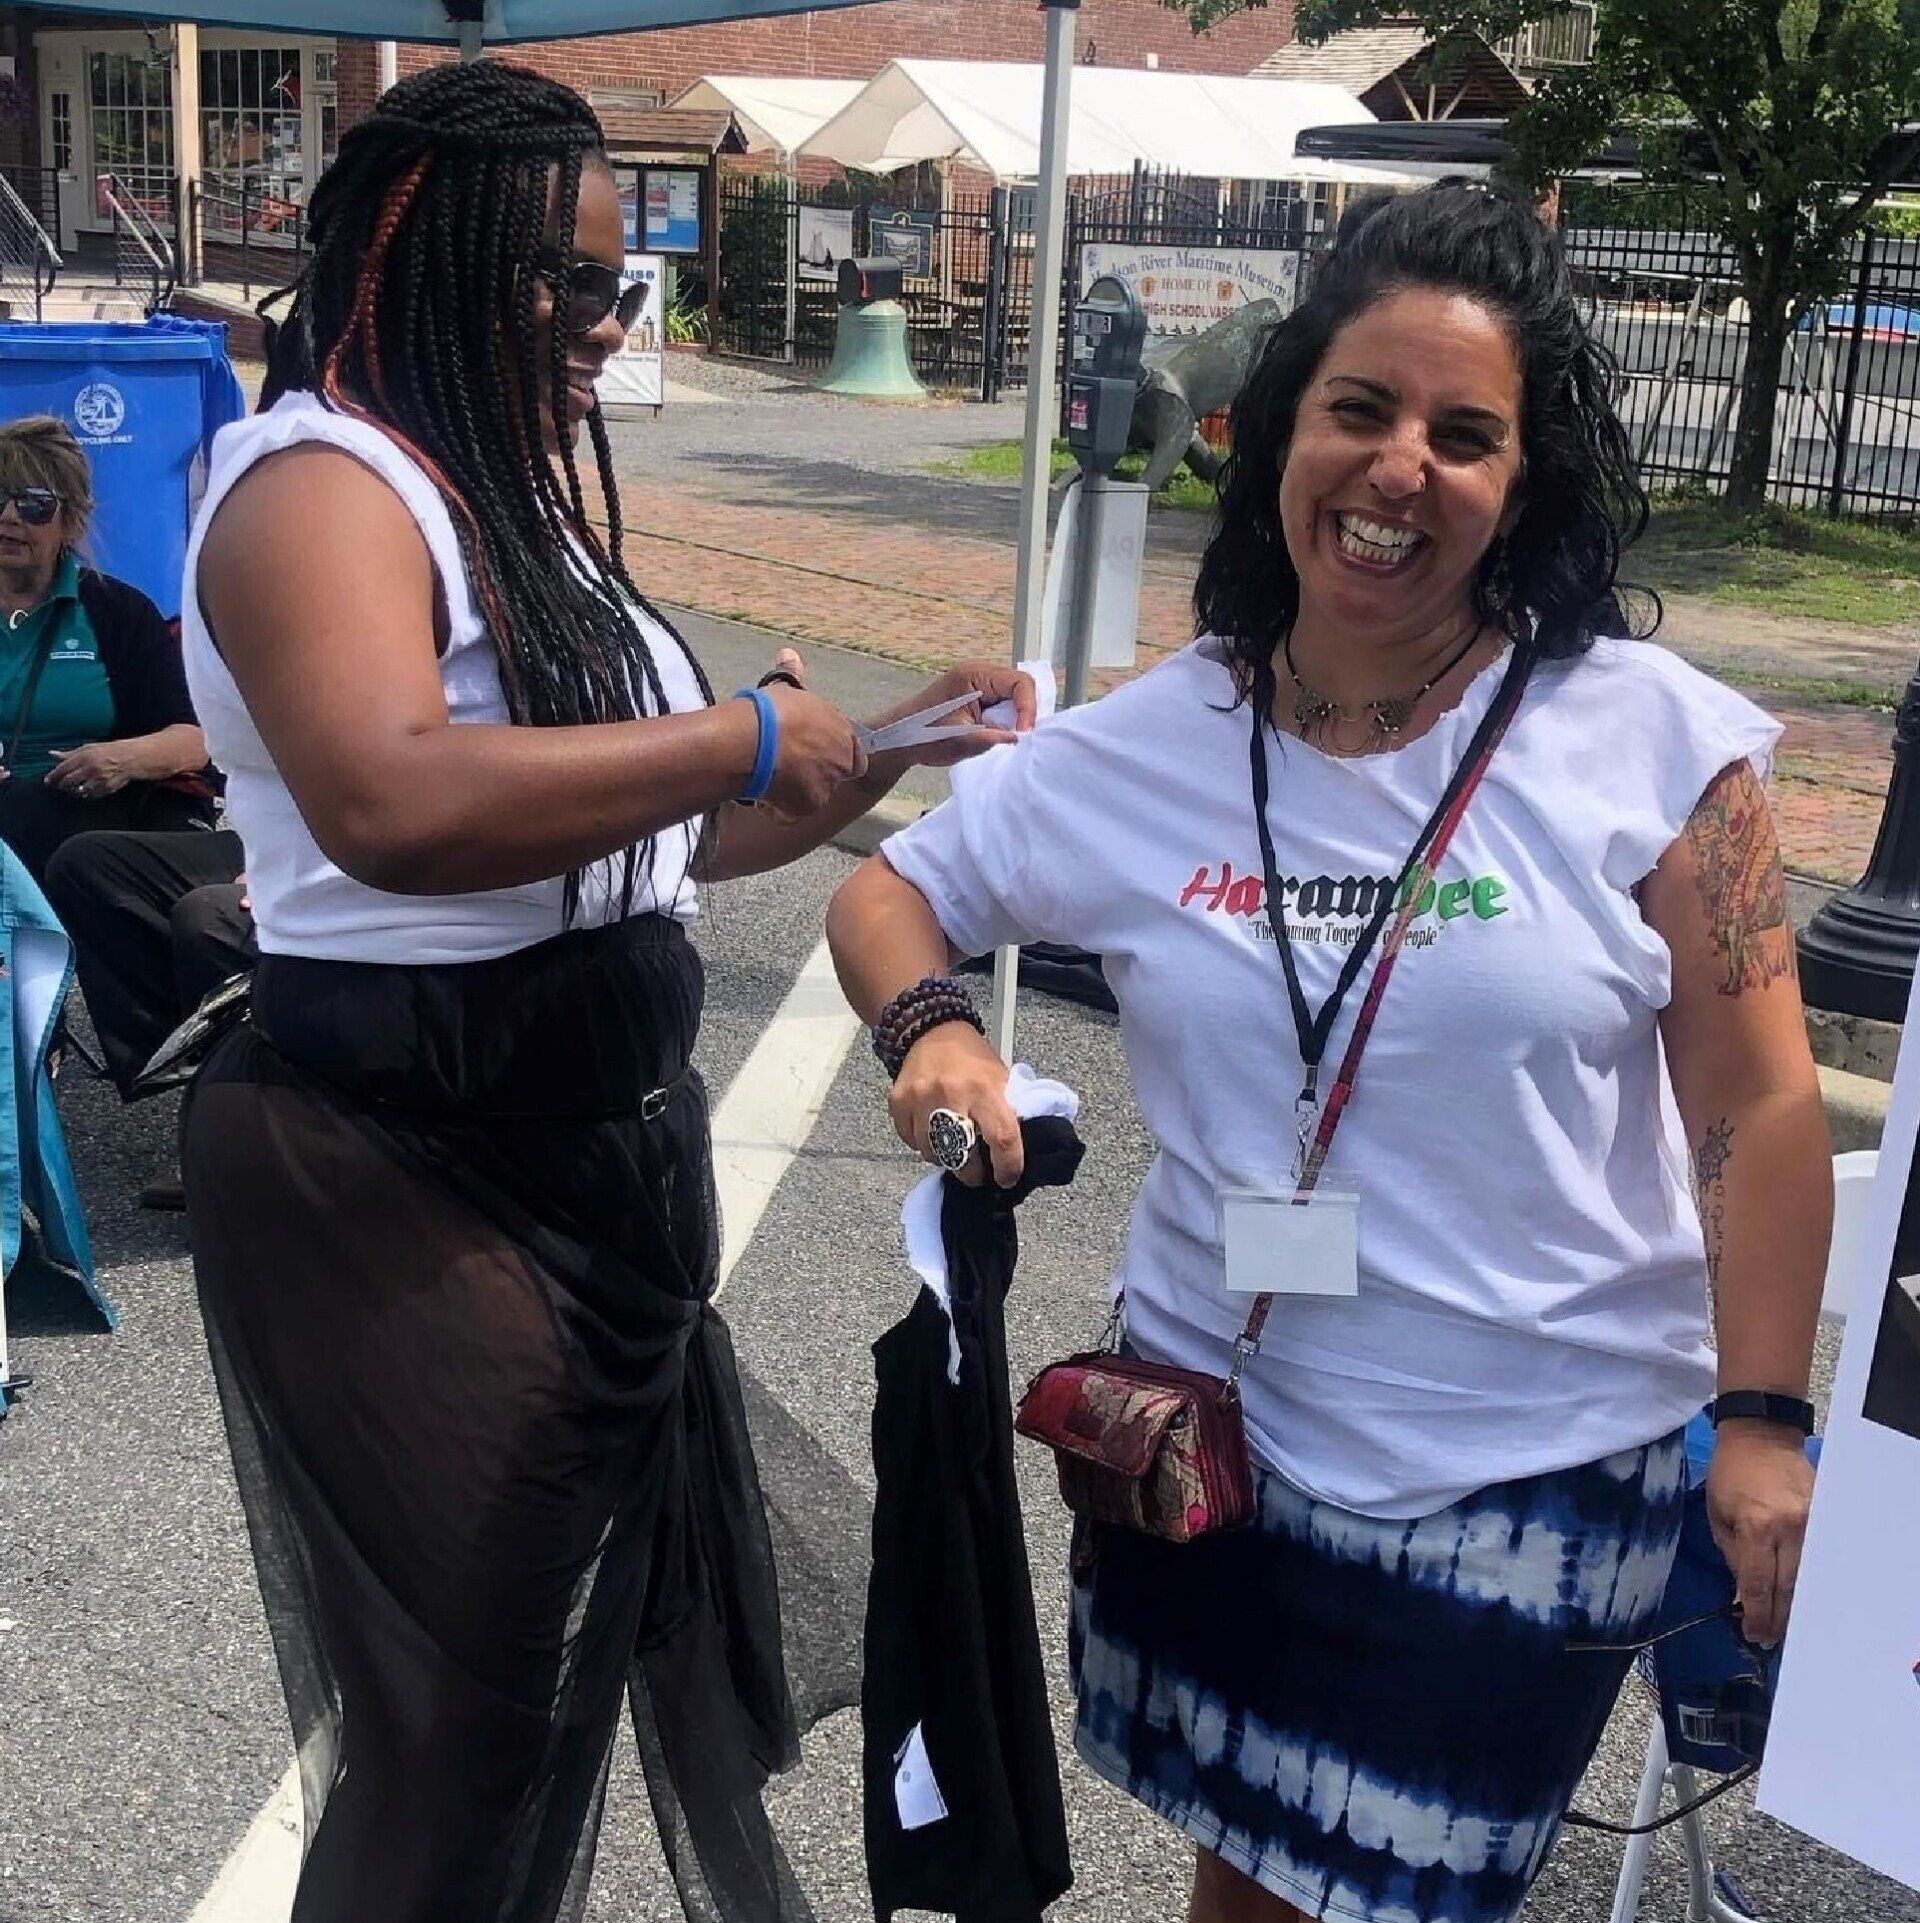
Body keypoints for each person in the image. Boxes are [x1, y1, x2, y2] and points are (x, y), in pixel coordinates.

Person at [827, 182, 1831, 1923]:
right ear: (1279, 427)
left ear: (1524, 484)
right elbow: (891, 889)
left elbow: (1758, 1098)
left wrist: (1760, 1420)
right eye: (1360, 408)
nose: (1400, 468)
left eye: (1466, 435)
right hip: (1213, 1439)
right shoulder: (1164, 737)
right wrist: (934, 1037)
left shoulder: (1655, 744)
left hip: (1528, 1464)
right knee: (1244, 1877)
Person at [175, 61, 1031, 1923]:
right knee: (460, 1730)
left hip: (586, 1151)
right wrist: (738, 732)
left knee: (531, 1693)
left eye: (617, 281)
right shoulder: (321, 485)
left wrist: (869, 749)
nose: (606, 318)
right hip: (410, 1156)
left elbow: (652, 838)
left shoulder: (506, 496)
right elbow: (390, 797)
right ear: (423, 255)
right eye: (566, 279)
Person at [0, 417, 214, 883]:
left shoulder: (118, 612)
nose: (9, 517)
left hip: (97, 815)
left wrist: (120, 760)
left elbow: (195, 740)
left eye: (34, 505)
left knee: (28, 815)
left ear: (71, 521)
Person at [42, 827, 253, 1210]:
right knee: (83, 865)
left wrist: (287, 871)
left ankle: (238, 1145)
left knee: (207, 918)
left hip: (337, 866)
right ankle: (181, 1072)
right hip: (270, 843)